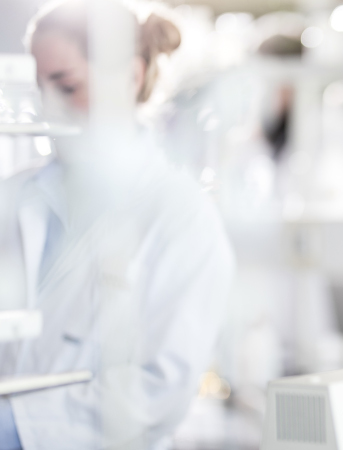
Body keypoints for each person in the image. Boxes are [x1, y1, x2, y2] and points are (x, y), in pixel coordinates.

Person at [0, 1, 234, 449]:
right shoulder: (14, 198)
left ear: (130, 76)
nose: (49, 107)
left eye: (67, 86)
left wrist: (13, 426)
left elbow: (158, 390)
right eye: (39, 88)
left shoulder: (181, 216)